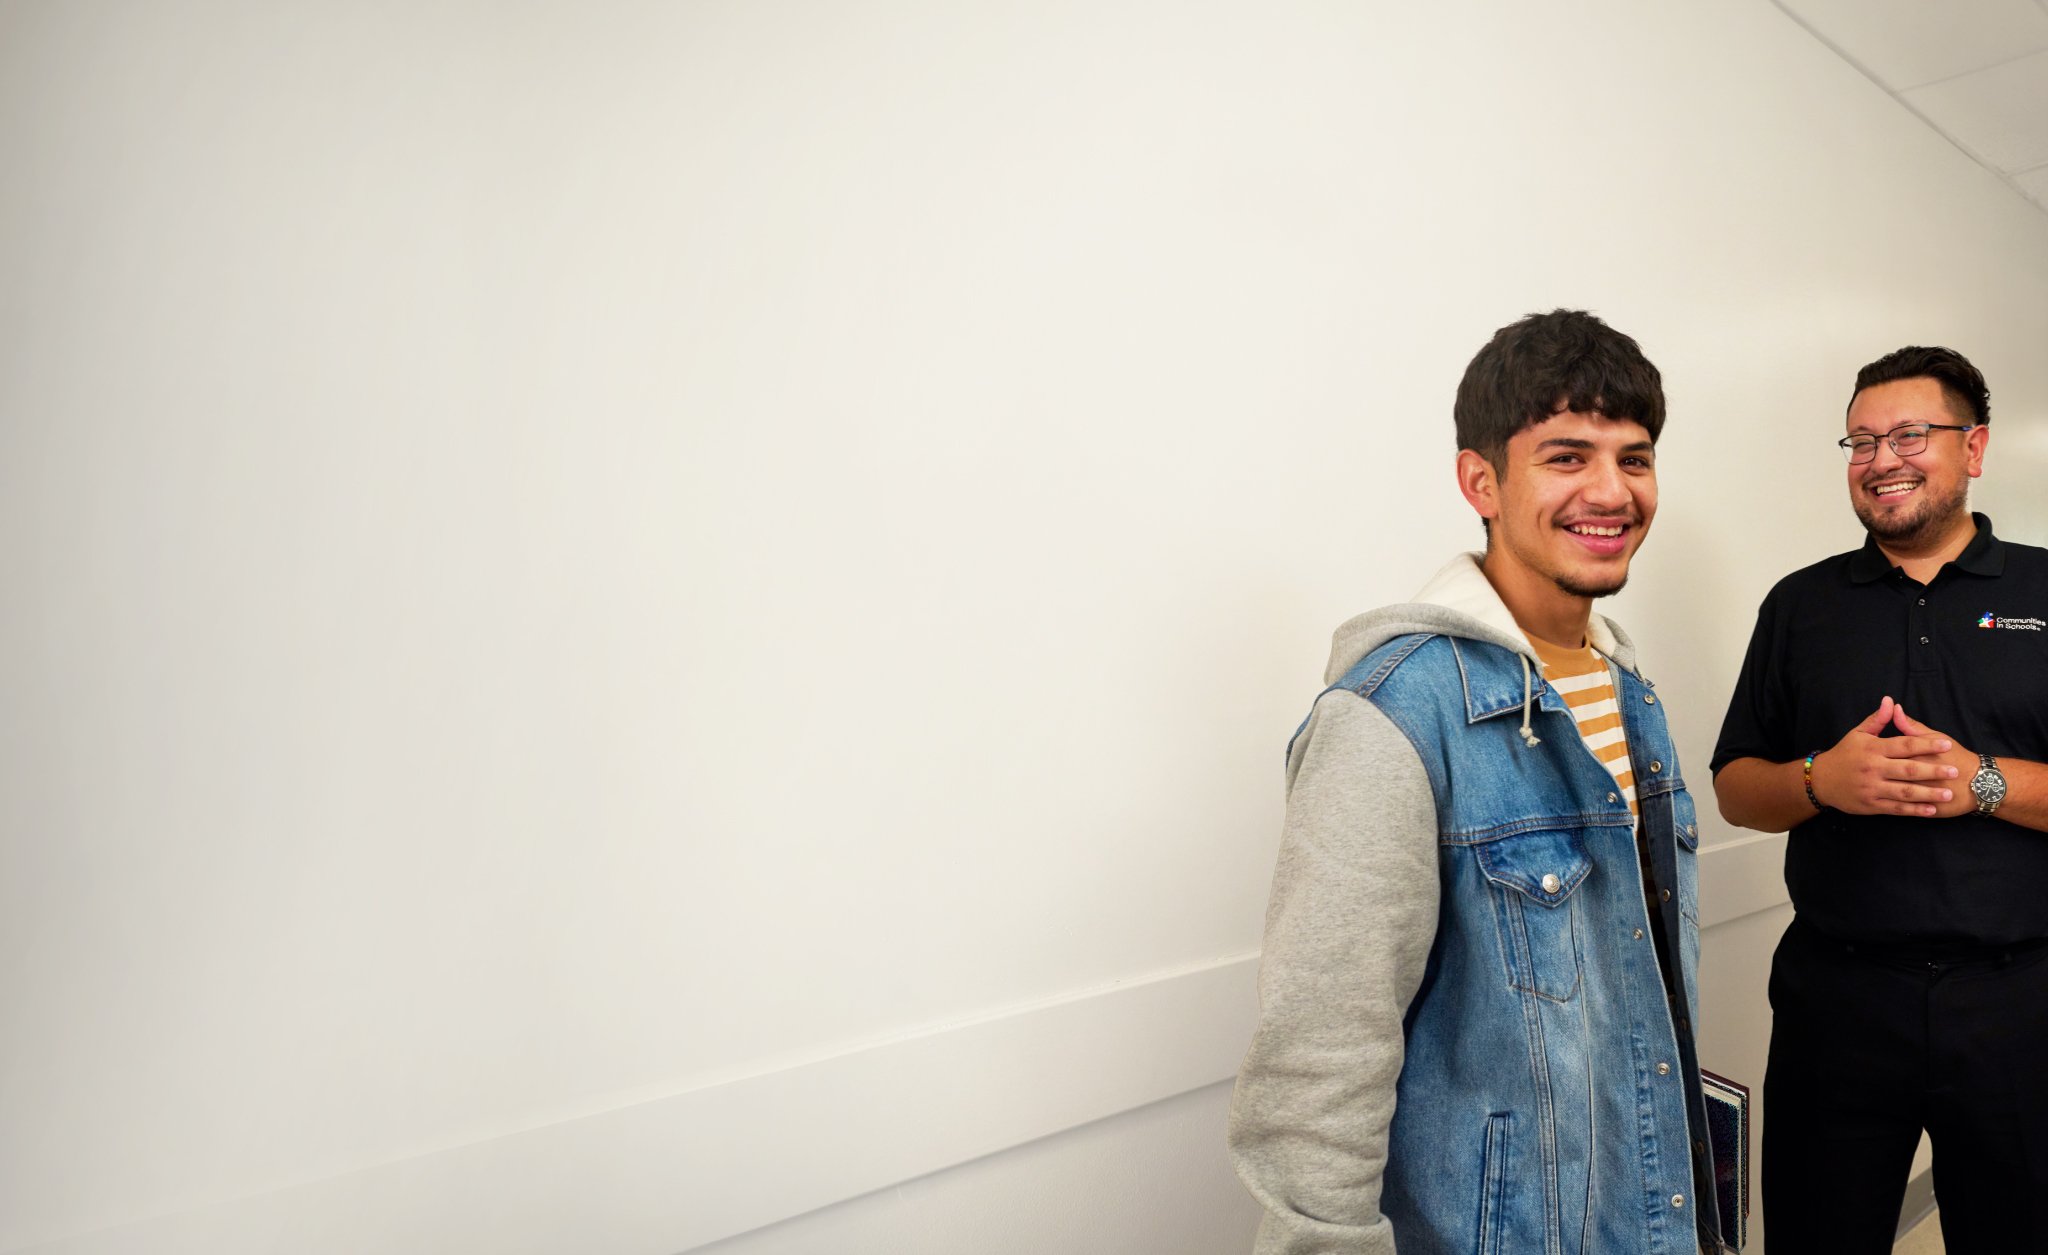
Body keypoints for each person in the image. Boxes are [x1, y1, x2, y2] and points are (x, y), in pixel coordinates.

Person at [1229, 309, 1718, 1255]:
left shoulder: (1630, 696)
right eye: (1568, 456)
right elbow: (1322, 1062)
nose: (1612, 491)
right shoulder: (1390, 714)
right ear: (1481, 480)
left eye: (1636, 457)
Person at [1711, 345, 2048, 1253]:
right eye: (1860, 440)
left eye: (1909, 433)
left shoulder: (2045, 589)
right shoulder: (1800, 605)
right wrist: (1823, 780)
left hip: (2020, 1003)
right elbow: (1738, 786)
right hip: (1839, 1000)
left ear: (1973, 448)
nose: (1881, 458)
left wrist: (1981, 781)